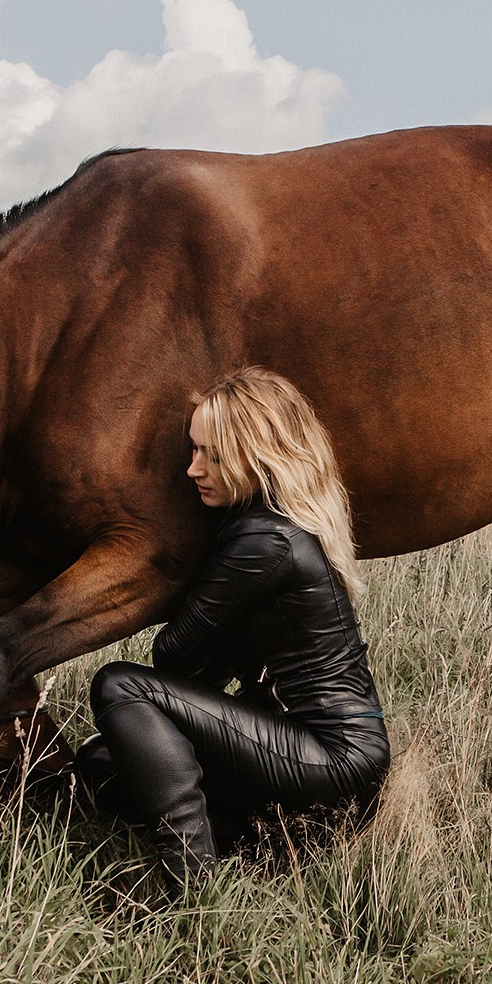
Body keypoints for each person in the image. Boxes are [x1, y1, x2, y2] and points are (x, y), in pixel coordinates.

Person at [75, 367, 388, 896]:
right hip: (308, 756)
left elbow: (172, 658)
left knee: (120, 686)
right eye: (194, 450)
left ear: (257, 454)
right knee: (102, 759)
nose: (194, 469)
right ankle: (257, 845)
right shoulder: (277, 526)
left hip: (331, 757)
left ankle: (189, 883)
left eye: (214, 455)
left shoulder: (266, 541)